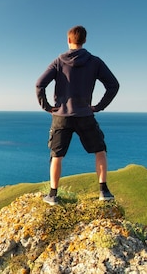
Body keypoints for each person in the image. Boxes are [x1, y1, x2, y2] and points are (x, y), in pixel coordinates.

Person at [35, 25, 119, 206]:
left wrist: (47, 106)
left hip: (61, 116)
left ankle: (52, 195)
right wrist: (99, 106)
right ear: (85, 40)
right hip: (85, 115)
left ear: (68, 40)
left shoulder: (58, 61)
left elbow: (39, 84)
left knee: (57, 155)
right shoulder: (95, 61)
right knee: (100, 151)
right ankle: (104, 191)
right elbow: (113, 85)